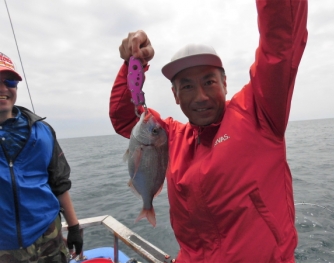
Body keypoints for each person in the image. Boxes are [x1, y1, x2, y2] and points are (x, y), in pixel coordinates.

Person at [110, 0, 308, 262]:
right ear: (176, 95)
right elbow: (127, 118)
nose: (201, 96)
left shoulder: (259, 112)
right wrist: (132, 64)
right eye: (188, 87)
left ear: (225, 83)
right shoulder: (168, 136)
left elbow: (281, 45)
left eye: (209, 81)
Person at [0, 52, 83, 263]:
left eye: (10, 81)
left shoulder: (43, 131)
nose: (3, 89)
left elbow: (59, 182)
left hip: (49, 235)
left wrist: (73, 227)